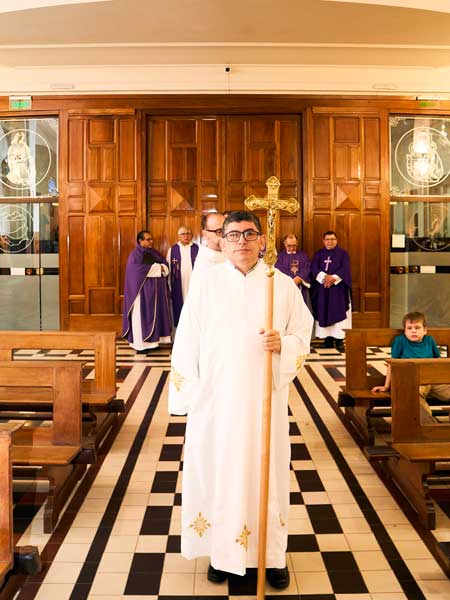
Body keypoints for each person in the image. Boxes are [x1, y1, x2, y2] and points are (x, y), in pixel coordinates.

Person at [169, 210, 313, 589]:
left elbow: (303, 333)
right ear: (222, 240)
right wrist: (188, 396)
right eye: (233, 235)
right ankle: (222, 554)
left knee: (268, 476)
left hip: (264, 402)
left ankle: (270, 557)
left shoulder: (282, 285)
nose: (242, 242)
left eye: (250, 234)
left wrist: (284, 344)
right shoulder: (206, 284)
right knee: (220, 475)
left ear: (262, 240)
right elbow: (186, 341)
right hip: (216, 405)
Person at [372, 311, 450, 422]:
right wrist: (386, 386)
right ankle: (429, 425)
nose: (413, 331)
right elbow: (392, 364)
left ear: (425, 330)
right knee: (413, 394)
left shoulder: (429, 340)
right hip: (411, 381)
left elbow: (438, 362)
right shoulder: (400, 341)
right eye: (409, 328)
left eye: (417, 328)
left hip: (431, 379)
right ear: (405, 331)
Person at [122, 230, 172, 353]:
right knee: (140, 318)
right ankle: (141, 345)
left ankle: (153, 343)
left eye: (151, 239)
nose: (151, 241)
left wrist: (161, 268)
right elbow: (136, 271)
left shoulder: (154, 253)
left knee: (155, 316)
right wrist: (157, 268)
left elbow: (165, 266)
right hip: (141, 294)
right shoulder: (135, 255)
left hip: (156, 294)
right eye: (148, 239)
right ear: (141, 241)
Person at [310, 230, 351, 352]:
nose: (330, 241)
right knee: (324, 311)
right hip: (323, 289)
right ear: (323, 241)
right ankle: (327, 339)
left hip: (338, 289)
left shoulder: (343, 254)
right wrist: (324, 278)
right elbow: (314, 268)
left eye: (332, 239)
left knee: (338, 312)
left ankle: (339, 341)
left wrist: (333, 278)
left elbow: (345, 269)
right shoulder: (318, 254)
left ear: (336, 240)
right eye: (327, 239)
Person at [166, 226, 199, 327]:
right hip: (178, 284)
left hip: (194, 284)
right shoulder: (172, 250)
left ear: (191, 235)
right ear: (178, 236)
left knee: (194, 307)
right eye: (183, 234)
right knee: (179, 307)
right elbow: (168, 269)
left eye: (188, 233)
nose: (186, 236)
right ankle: (180, 331)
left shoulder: (197, 249)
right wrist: (169, 286)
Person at [189, 211, 226, 283]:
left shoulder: (231, 253)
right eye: (219, 231)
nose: (225, 236)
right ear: (205, 234)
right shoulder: (203, 264)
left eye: (227, 230)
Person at [275, 233, 311, 304]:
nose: (291, 248)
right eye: (289, 246)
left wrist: (299, 277)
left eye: (294, 245)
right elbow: (279, 268)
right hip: (286, 286)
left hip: (301, 285)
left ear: (297, 243)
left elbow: (307, 267)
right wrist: (292, 279)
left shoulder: (303, 255)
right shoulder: (280, 256)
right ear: (285, 244)